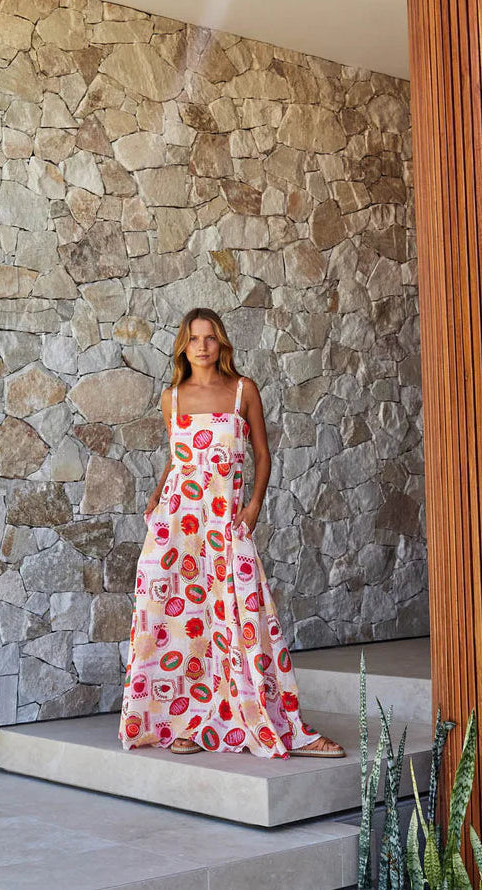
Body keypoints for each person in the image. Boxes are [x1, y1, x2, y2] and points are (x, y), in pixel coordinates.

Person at [119, 307, 344, 758]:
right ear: (183, 346)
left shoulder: (243, 390)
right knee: (177, 620)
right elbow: (178, 458)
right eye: (193, 338)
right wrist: (157, 494)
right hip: (176, 524)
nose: (202, 346)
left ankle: (271, 720)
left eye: (210, 337)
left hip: (225, 521)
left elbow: (262, 454)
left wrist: (254, 505)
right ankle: (187, 721)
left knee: (242, 613)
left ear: (221, 342)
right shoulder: (171, 398)